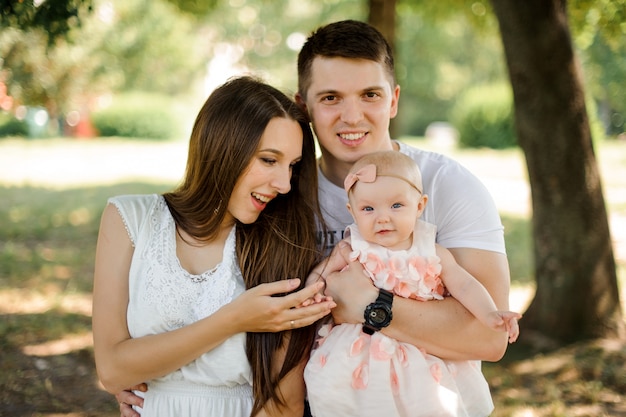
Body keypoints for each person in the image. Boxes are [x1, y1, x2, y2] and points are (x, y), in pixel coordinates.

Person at [117, 19, 515, 416]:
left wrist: (371, 305)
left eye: (370, 95)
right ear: (303, 106)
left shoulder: (449, 187)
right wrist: (156, 376)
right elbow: (216, 289)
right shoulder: (279, 189)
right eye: (330, 98)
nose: (353, 116)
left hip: (420, 401)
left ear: (393, 100)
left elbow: (489, 337)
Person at [92, 76, 336, 417]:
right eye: (269, 160)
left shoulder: (285, 242)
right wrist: (233, 320)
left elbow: (285, 405)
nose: (283, 184)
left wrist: (144, 359)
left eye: (292, 166)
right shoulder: (129, 219)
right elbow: (112, 369)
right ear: (223, 147)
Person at [304, 150, 521, 417]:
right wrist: (312, 294)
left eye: (396, 206)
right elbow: (321, 276)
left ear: (419, 206)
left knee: (427, 404)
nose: (383, 217)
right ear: (352, 211)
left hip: (423, 349)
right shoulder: (351, 247)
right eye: (368, 209)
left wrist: (489, 314)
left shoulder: (432, 249)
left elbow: (465, 286)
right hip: (361, 356)